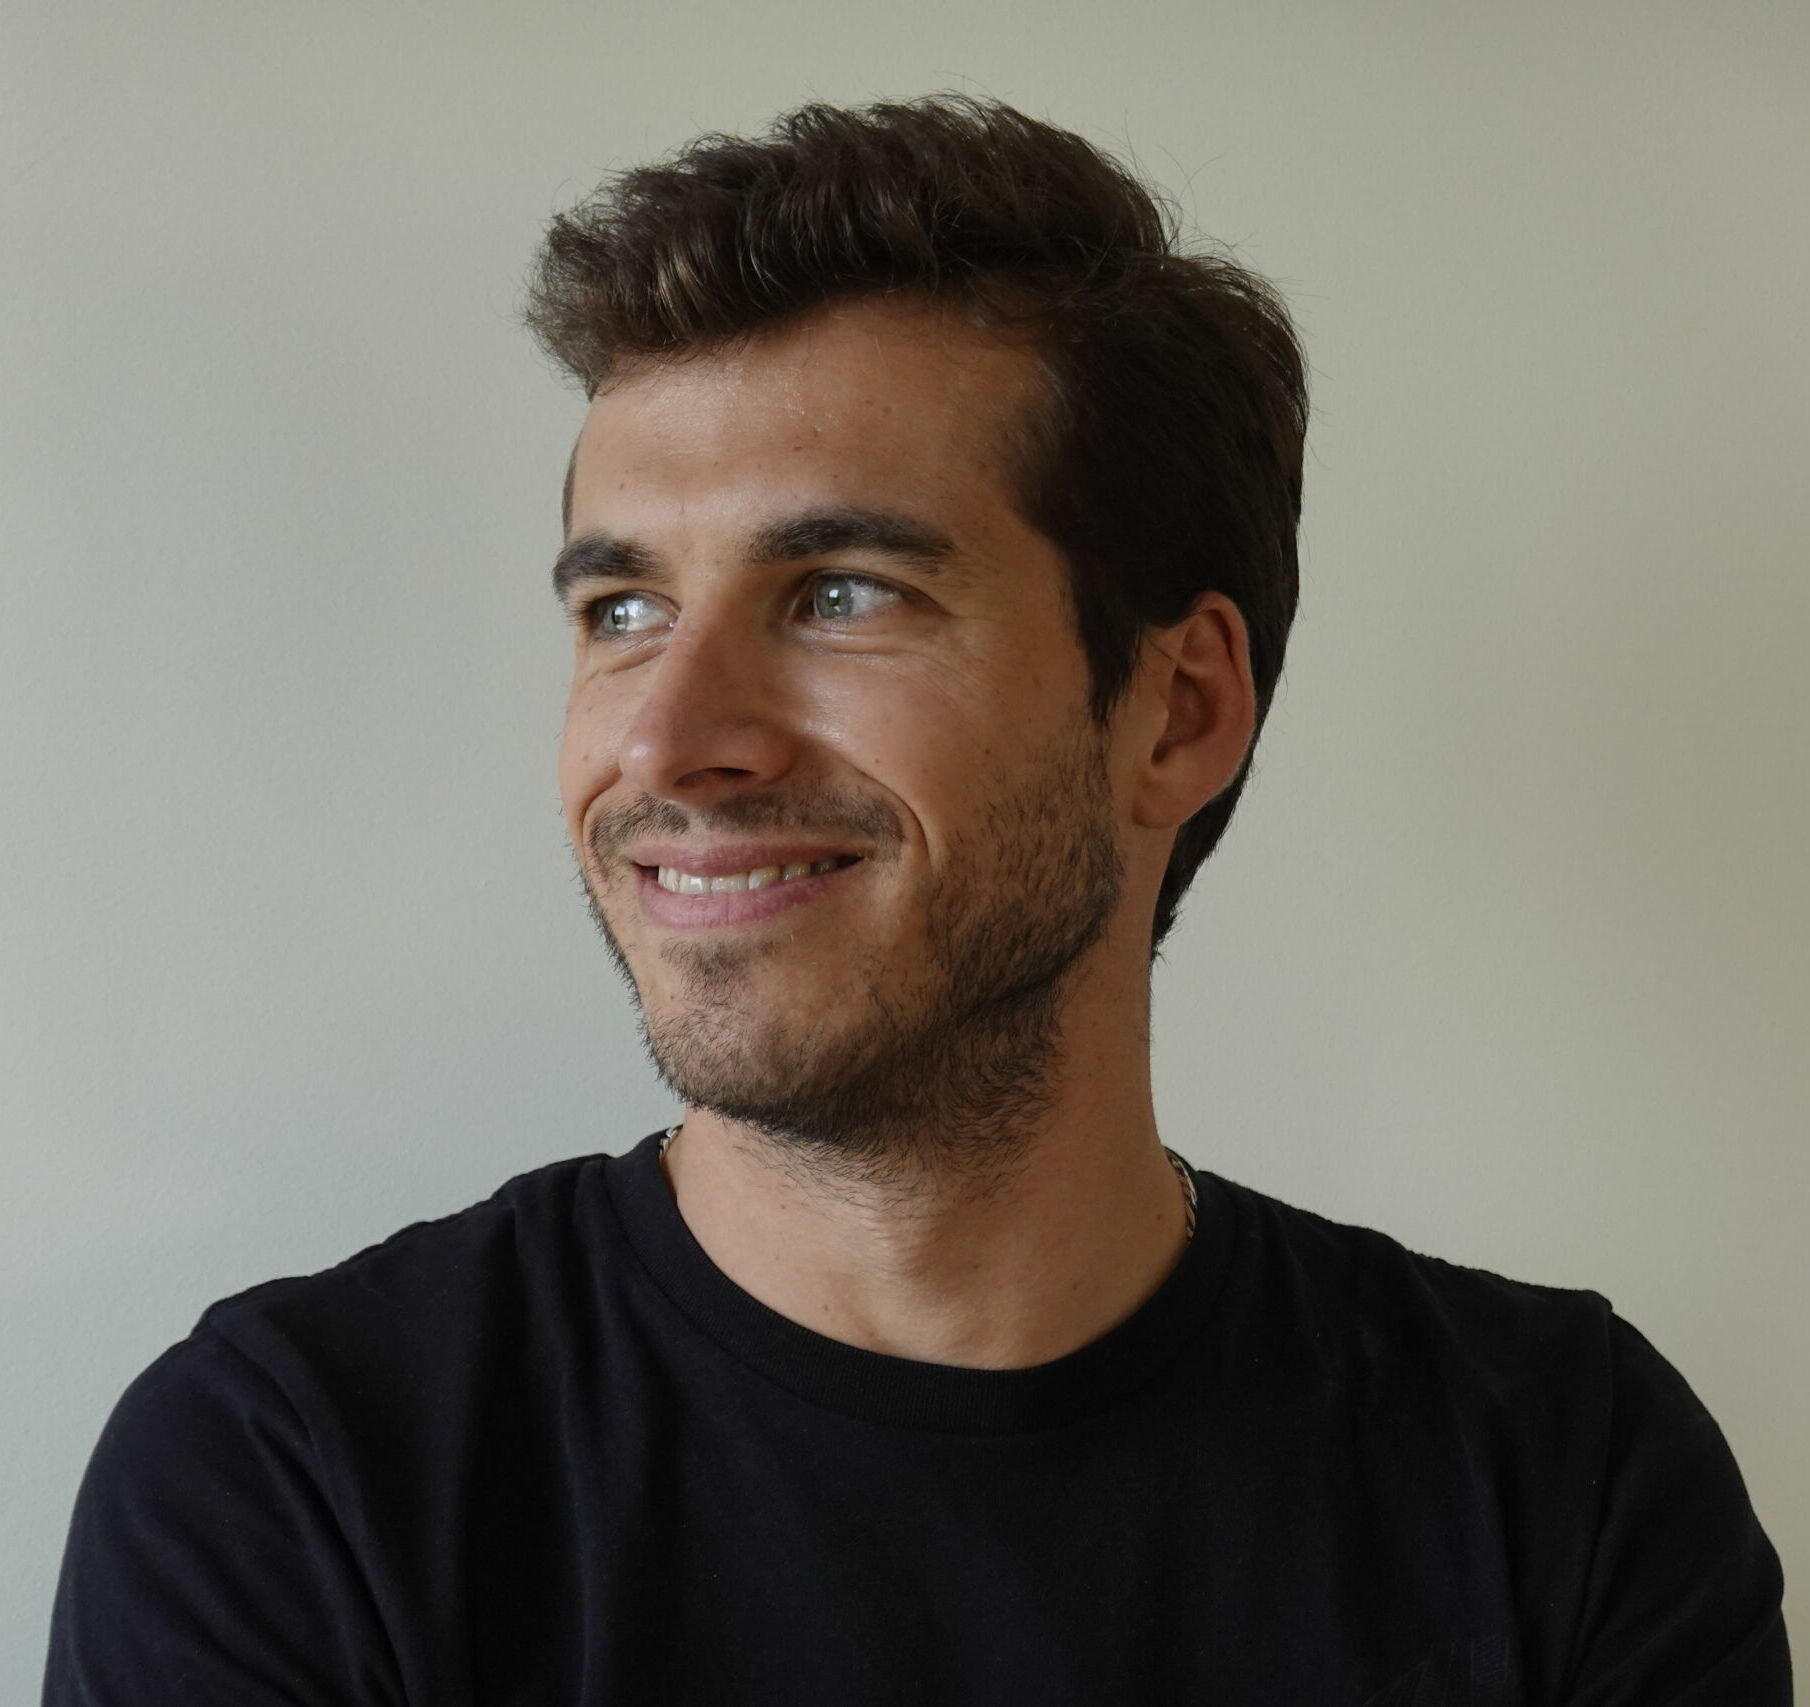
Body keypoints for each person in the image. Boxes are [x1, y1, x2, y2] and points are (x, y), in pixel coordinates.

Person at [43, 94, 1789, 1705]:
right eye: (622, 612)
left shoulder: (1555, 1475)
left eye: (842, 593)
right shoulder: (296, 1479)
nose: (667, 739)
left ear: (1175, 711)